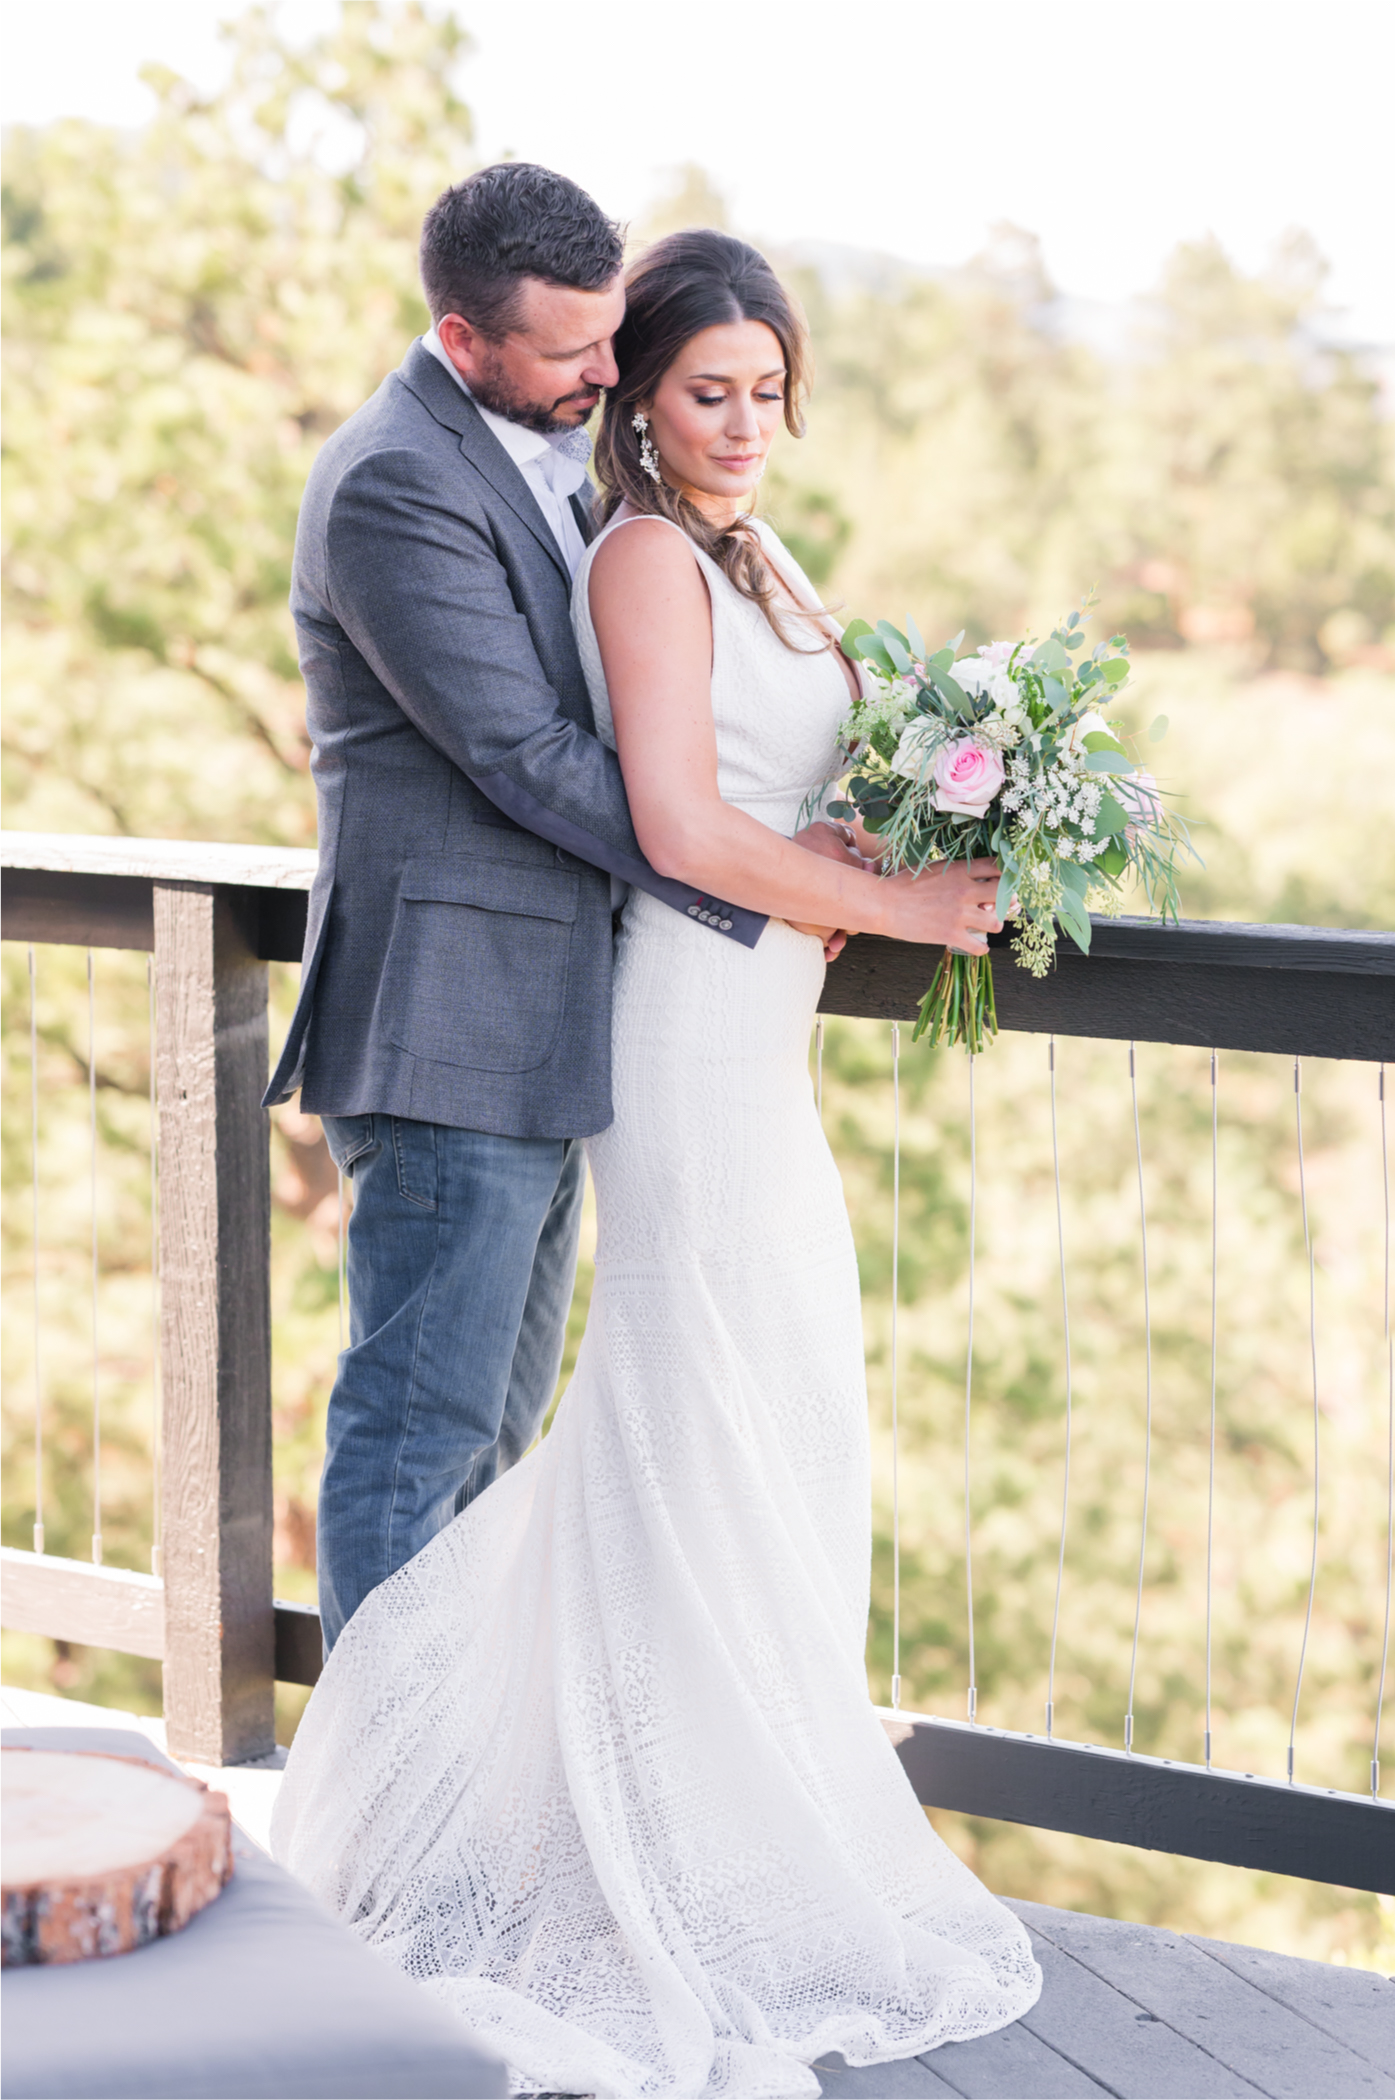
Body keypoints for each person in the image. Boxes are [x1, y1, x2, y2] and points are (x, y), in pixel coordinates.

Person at [272, 223, 1041, 2097]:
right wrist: (884, 900)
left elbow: (739, 791)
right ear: (491, 339)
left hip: (716, 1014)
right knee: (492, 1420)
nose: (695, 404)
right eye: (684, 379)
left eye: (759, 386)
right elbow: (627, 797)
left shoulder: (726, 541)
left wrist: (884, 844)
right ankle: (385, 1847)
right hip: (609, 1016)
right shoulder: (502, 512)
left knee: (698, 1404)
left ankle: (646, 1814)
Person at [265, 163, 1002, 1652]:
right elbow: (538, 761)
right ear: (465, 339)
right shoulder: (399, 481)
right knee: (423, 1437)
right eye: (573, 354)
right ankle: (370, 1831)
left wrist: (809, 848)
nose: (607, 374)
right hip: (445, 1025)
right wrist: (784, 882)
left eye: (613, 341)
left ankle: (456, 1794)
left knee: (495, 1435)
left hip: (549, 1029)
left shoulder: (563, 469)